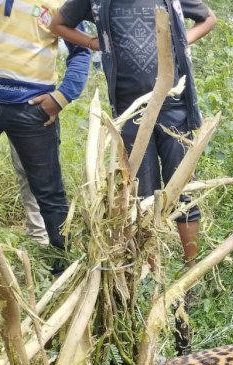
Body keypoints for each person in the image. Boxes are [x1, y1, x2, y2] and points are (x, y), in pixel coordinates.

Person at [50, 0, 216, 271]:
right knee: (141, 198)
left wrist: (179, 41)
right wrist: (94, 43)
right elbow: (58, 24)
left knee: (183, 192)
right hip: (130, 113)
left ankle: (191, 274)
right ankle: (152, 276)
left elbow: (209, 18)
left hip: (173, 107)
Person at [0, 0, 90, 260]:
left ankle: (63, 264)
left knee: (49, 193)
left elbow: (82, 50)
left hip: (33, 106)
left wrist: (62, 97)